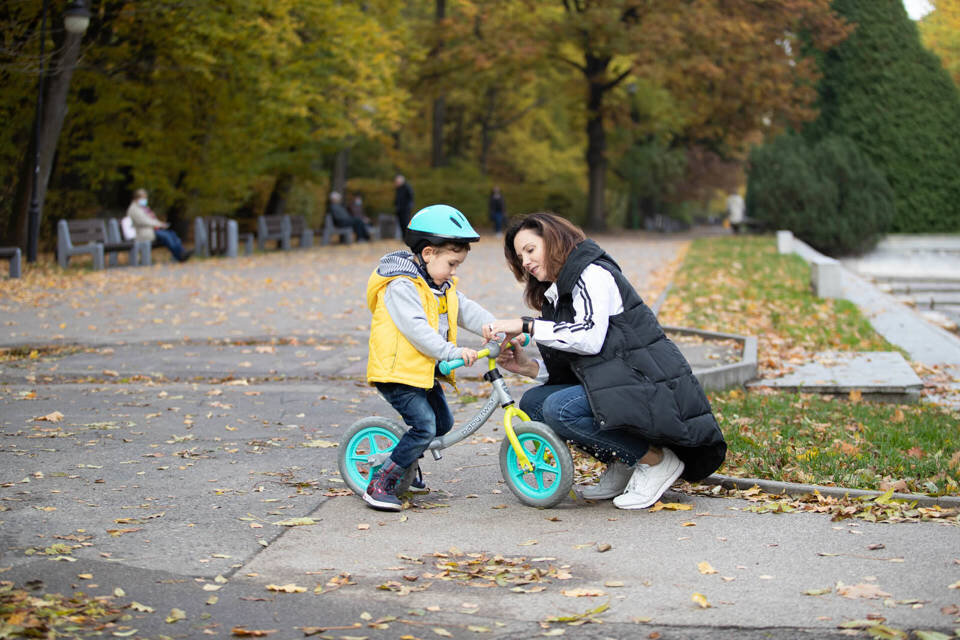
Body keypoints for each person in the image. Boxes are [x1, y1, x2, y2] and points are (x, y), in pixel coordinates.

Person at [484, 213, 726, 510]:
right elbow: (578, 365)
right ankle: (624, 461)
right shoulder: (559, 293)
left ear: (554, 239)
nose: (526, 262)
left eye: (530, 250)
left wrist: (525, 325)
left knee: (559, 410)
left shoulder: (592, 274)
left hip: (645, 382)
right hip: (618, 384)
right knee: (534, 402)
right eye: (520, 257)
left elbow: (589, 338)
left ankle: (656, 461)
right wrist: (528, 367)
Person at [364, 204, 496, 511]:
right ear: (427, 254)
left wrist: (497, 329)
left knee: (442, 423)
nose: (453, 272)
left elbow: (468, 310)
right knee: (424, 425)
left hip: (420, 371)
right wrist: (452, 351)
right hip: (396, 373)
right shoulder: (401, 286)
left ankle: (407, 464)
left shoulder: (440, 287)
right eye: (451, 263)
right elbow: (417, 330)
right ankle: (382, 482)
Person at [125, 189, 192, 262]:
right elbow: (144, 221)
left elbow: (151, 219)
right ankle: (180, 255)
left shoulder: (143, 208)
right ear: (136, 198)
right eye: (143, 198)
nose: (145, 200)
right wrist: (159, 224)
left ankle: (181, 252)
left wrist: (160, 224)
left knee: (172, 234)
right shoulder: (134, 209)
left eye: (145, 198)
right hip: (143, 233)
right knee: (166, 236)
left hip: (151, 230)